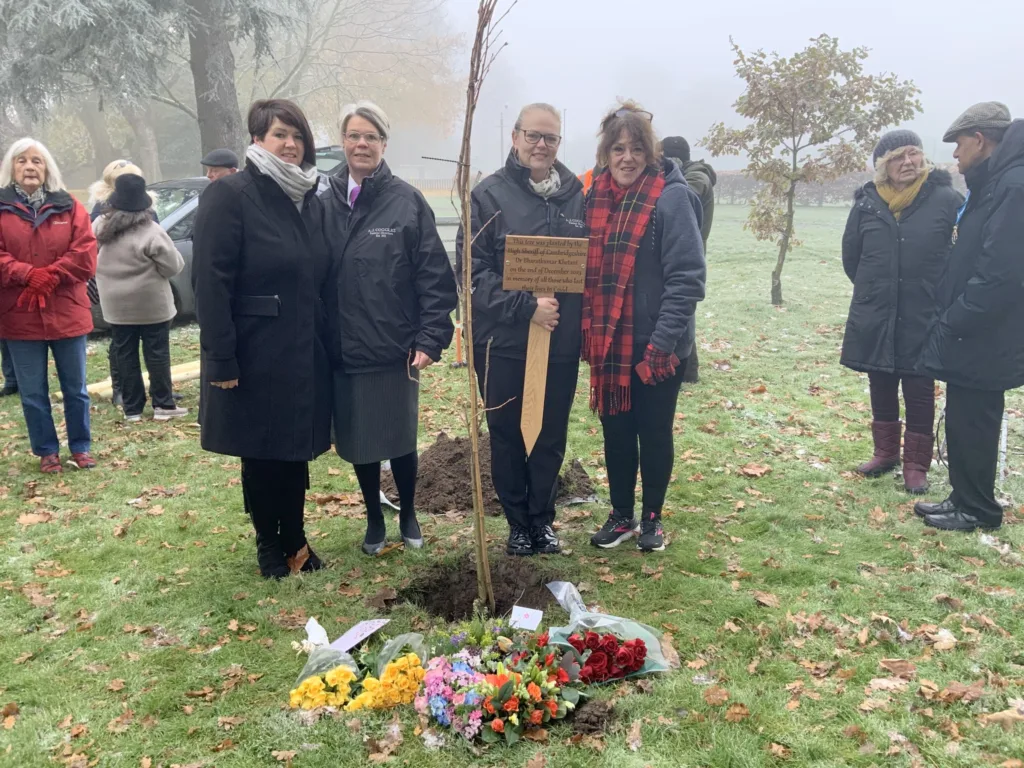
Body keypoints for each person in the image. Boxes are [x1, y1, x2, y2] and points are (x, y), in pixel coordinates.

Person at [192, 99, 332, 578]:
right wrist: (221, 359)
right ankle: (269, 545)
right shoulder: (231, 194)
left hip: (303, 349)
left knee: (294, 451)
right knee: (262, 452)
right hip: (255, 350)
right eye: (279, 134)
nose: (290, 144)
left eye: (297, 135)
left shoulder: (309, 198)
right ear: (257, 140)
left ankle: (295, 536)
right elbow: (211, 282)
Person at [323, 101, 457, 555]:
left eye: (371, 136)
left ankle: (410, 512)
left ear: (383, 144)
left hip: (395, 346)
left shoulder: (406, 201)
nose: (362, 144)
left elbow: (434, 276)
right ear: (343, 142)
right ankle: (374, 517)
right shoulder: (323, 202)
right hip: (342, 347)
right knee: (361, 441)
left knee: (398, 437)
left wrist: (430, 337)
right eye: (354, 135)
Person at [457, 102, 586, 557]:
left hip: (560, 343)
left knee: (550, 436)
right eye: (532, 135)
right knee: (508, 434)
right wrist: (524, 307)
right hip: (503, 344)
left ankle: (542, 521)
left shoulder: (576, 196)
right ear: (515, 137)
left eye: (550, 138)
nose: (540, 145)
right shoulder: (487, 196)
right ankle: (516, 524)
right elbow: (471, 272)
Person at [583, 103, 706, 553]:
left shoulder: (670, 197)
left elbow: (687, 277)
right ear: (606, 153)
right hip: (610, 343)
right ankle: (620, 514)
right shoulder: (595, 197)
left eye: (636, 148)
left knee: (654, 432)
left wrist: (662, 343)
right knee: (616, 434)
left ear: (650, 152)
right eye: (618, 148)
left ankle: (652, 516)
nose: (627, 158)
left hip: (658, 345)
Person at [916, 103, 1024, 532]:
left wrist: (958, 317)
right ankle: (963, 497)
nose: (956, 156)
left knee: (975, 420)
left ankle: (978, 509)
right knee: (962, 416)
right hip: (973, 329)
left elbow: (1001, 271)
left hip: (985, 331)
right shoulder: (993, 183)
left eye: (959, 144)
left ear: (980, 139)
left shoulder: (1013, 186)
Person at [840, 130, 961, 495]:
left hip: (925, 309)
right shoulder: (867, 202)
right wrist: (876, 288)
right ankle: (886, 453)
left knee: (920, 386)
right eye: (897, 157)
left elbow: (960, 256)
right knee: (880, 378)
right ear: (882, 167)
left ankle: (916, 465)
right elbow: (852, 257)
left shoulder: (945, 199)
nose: (908, 162)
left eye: (914, 154)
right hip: (877, 308)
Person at [0, 138, 97, 473]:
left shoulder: (69, 206)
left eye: (37, 161)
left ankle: (81, 447)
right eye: (22, 160)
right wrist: (25, 273)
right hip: (19, 316)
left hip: (67, 311)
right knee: (32, 393)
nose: (30, 167)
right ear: (11, 166)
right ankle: (46, 451)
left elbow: (85, 253)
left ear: (47, 168)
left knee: (76, 388)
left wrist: (52, 275)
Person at [94, 173, 187, 423]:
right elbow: (174, 266)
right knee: (156, 353)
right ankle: (163, 405)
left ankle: (132, 408)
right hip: (151, 304)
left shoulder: (100, 226)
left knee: (125, 353)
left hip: (115, 305)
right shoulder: (151, 230)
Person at [87, 159, 151, 408]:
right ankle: (119, 388)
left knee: (152, 340)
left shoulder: (147, 205)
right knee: (120, 340)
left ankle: (157, 387)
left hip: (143, 283)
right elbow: (95, 245)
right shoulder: (100, 211)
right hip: (112, 282)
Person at [661, 136, 716, 384]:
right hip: (678, 247)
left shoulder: (696, 177)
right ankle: (687, 369)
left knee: (683, 313)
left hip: (687, 250)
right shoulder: (691, 173)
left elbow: (680, 201)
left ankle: (688, 370)